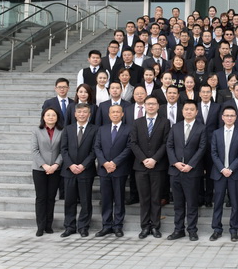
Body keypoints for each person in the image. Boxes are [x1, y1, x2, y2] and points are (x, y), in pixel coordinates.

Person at [129, 96, 171, 239]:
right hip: (140, 167)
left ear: (158, 106)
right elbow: (133, 143)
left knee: (156, 198)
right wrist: (143, 159)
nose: (151, 106)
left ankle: (155, 226)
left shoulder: (165, 122)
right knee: (144, 198)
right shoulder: (137, 122)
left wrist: (154, 159)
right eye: (148, 104)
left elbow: (166, 143)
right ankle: (145, 227)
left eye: (153, 104)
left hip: (158, 166)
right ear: (144, 106)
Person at [166, 100, 207, 242]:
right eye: (186, 109)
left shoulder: (201, 128)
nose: (189, 111)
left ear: (196, 112)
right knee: (178, 204)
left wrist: (191, 165)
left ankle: (192, 230)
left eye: (192, 109)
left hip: (192, 172)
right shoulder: (175, 127)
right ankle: (178, 230)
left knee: (192, 203)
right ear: (182, 111)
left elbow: (202, 148)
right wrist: (175, 162)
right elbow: (169, 146)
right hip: (176, 171)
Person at [210, 106, 238, 242]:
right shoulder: (216, 133)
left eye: (232, 115)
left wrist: (230, 169)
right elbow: (213, 153)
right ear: (222, 117)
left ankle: (234, 230)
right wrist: (222, 169)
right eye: (227, 115)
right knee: (218, 203)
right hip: (219, 173)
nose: (229, 118)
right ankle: (217, 229)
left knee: (235, 203)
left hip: (234, 174)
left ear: (236, 118)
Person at [93, 104, 132, 237]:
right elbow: (97, 147)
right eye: (113, 112)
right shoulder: (102, 129)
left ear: (122, 114)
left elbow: (128, 148)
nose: (115, 114)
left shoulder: (128, 129)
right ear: (109, 115)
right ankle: (106, 225)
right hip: (104, 170)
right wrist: (104, 163)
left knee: (119, 199)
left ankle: (118, 226)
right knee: (106, 199)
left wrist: (115, 162)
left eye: (118, 112)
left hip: (119, 169)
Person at [59, 103, 97, 238]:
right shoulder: (68, 129)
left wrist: (83, 165)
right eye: (79, 112)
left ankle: (83, 227)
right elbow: (63, 149)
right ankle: (69, 227)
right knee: (69, 200)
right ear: (75, 114)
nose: (82, 114)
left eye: (85, 112)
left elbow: (94, 150)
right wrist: (70, 165)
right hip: (69, 171)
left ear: (89, 114)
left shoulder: (95, 129)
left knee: (85, 201)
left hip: (86, 170)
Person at [31, 108, 64, 236]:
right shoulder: (36, 131)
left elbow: (63, 150)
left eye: (53, 115)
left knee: (51, 197)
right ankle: (40, 226)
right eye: (48, 115)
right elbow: (34, 150)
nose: (51, 117)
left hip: (55, 169)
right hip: (39, 169)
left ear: (57, 117)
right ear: (43, 117)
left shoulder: (62, 131)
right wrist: (44, 165)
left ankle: (48, 225)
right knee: (41, 198)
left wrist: (55, 165)